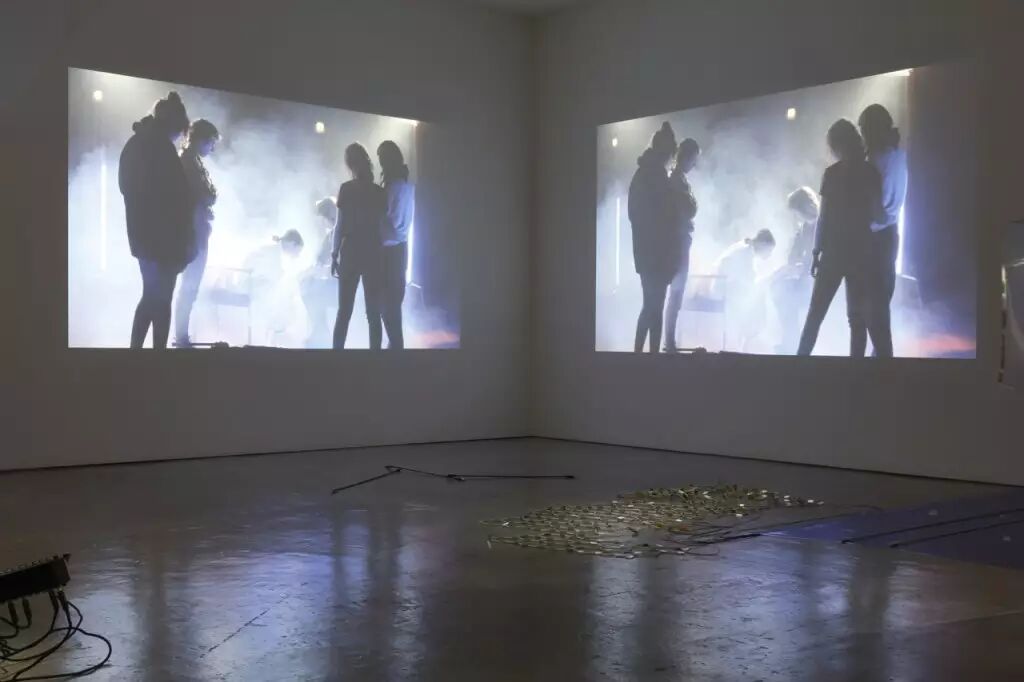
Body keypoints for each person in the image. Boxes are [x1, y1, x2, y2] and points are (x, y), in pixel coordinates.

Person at [797, 119, 882, 356]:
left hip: (833, 252)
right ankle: (855, 369)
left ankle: (798, 363)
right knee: (856, 319)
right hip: (861, 251)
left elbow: (823, 217)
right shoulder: (870, 172)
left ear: (836, 145)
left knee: (815, 314)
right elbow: (878, 215)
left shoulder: (832, 174)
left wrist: (816, 252)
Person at [118, 92, 193, 349]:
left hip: (142, 236)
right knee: (161, 300)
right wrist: (182, 239)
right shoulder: (160, 147)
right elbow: (176, 199)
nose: (179, 137)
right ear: (175, 125)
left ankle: (137, 352)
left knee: (151, 296)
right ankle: (156, 356)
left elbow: (127, 188)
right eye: (180, 131)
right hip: (163, 239)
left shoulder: (137, 143)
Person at [859, 103, 907, 358]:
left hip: (874, 237)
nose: (862, 136)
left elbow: (875, 210)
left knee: (872, 307)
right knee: (880, 304)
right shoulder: (898, 155)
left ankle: (882, 361)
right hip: (889, 235)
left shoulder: (875, 160)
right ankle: (880, 356)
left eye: (864, 130)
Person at [628, 122, 678, 353]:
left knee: (651, 306)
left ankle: (642, 355)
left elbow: (635, 215)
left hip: (645, 252)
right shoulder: (657, 176)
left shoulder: (642, 174)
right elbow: (666, 218)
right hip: (657, 254)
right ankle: (647, 356)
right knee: (653, 306)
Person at [332, 143, 387, 350]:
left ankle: (336, 357)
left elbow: (339, 226)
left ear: (350, 164)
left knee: (344, 312)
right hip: (373, 251)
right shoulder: (379, 192)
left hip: (351, 251)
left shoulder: (346, 189)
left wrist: (334, 254)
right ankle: (376, 359)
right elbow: (382, 227)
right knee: (373, 313)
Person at [173, 119, 220, 348]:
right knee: (189, 287)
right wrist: (207, 200)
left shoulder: (192, 160)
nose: (212, 148)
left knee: (190, 288)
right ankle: (181, 336)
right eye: (211, 143)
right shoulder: (189, 162)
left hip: (196, 230)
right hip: (192, 233)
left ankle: (182, 335)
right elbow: (205, 194)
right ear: (201, 139)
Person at [771, 187, 819, 353]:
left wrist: (803, 269)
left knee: (786, 296)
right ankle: (790, 340)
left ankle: (793, 343)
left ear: (804, 208)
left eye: (796, 212)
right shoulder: (804, 227)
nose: (795, 217)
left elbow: (822, 257)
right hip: (806, 278)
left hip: (820, 281)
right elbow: (794, 255)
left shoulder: (822, 225)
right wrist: (791, 266)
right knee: (778, 289)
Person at [662, 138, 700, 352]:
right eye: (693, 159)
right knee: (675, 294)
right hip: (677, 243)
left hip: (680, 242)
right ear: (685, 157)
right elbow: (689, 209)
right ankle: (669, 342)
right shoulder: (676, 180)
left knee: (676, 295)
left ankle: (669, 340)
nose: (694, 164)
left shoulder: (678, 179)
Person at [378, 140, 415, 350]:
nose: (380, 162)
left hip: (389, 251)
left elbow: (390, 224)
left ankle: (395, 348)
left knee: (388, 305)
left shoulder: (394, 188)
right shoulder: (404, 187)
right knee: (391, 305)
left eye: (381, 157)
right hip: (398, 250)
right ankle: (395, 346)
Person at [713, 229, 777, 351]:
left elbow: (748, 278)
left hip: (728, 287)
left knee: (756, 297)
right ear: (762, 244)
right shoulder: (745, 252)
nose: (769, 255)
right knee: (756, 299)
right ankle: (745, 341)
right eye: (769, 250)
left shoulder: (746, 249)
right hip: (725, 289)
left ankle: (746, 341)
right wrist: (771, 277)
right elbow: (747, 280)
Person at [244, 229, 306, 346]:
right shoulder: (271, 253)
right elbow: (269, 278)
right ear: (292, 244)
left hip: (260, 290)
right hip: (254, 290)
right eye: (297, 251)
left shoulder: (276, 252)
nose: (296, 255)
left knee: (288, 306)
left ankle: (272, 339)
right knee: (283, 309)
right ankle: (271, 341)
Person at [300, 197, 339, 348]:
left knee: (311, 290)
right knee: (308, 285)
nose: (320, 224)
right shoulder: (330, 235)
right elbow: (320, 259)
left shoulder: (340, 234)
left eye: (321, 220)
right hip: (335, 283)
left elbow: (338, 266)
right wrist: (309, 271)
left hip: (344, 287)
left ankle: (320, 331)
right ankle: (320, 330)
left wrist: (320, 271)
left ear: (327, 216)